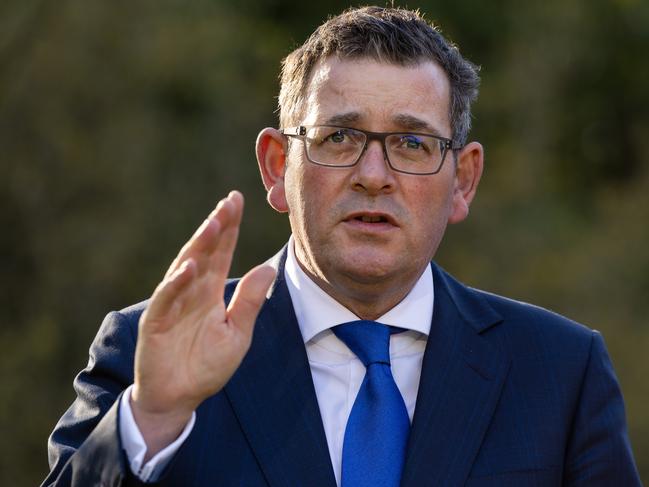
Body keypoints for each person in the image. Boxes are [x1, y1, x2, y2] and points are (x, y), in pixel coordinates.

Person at [43, 6, 641, 487]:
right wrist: (152, 417)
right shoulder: (151, 354)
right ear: (278, 168)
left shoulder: (561, 373)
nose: (374, 174)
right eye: (340, 137)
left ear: (463, 181)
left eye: (411, 143)